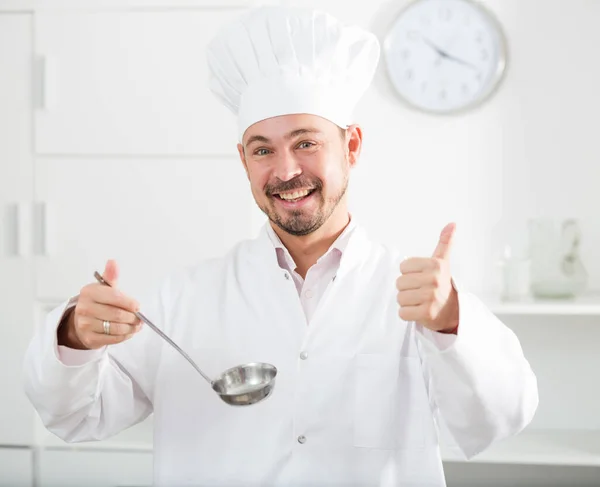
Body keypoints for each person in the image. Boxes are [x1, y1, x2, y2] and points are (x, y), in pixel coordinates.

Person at [23, 6, 538, 487]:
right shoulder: (185, 298)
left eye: (306, 142)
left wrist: (450, 321)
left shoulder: (415, 297)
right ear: (244, 161)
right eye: (263, 150)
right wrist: (74, 336)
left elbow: (501, 417)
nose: (286, 170)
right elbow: (75, 416)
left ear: (352, 146)